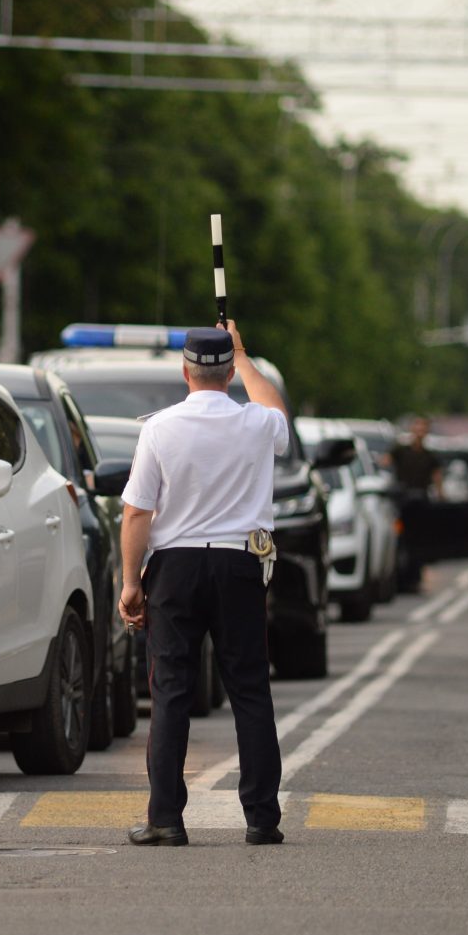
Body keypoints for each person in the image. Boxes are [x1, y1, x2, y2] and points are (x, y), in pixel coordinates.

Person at [119, 320, 289, 848]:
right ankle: (262, 818)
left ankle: (166, 818)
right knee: (249, 691)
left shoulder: (161, 428)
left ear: (184, 369)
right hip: (240, 565)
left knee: (171, 691)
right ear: (227, 372)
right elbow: (278, 408)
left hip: (176, 567)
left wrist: (130, 582)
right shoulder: (257, 423)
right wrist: (244, 355)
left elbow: (136, 513)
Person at [386, 416, 443, 593]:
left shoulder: (430, 456)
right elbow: (385, 462)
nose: (419, 432)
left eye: (423, 428)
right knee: (400, 538)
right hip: (402, 502)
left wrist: (441, 496)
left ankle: (415, 576)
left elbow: (437, 477)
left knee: (419, 541)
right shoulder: (401, 451)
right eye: (417, 427)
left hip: (420, 502)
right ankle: (399, 575)